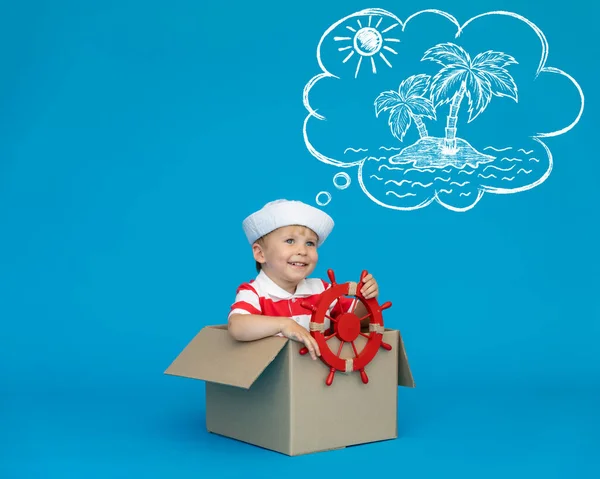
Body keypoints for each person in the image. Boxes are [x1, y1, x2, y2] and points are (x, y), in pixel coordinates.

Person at [227, 199, 379, 361]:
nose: (302, 251)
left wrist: (367, 298)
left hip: (318, 379)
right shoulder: (254, 292)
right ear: (260, 254)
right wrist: (283, 324)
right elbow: (236, 326)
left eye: (310, 243)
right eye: (290, 241)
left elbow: (356, 321)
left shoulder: (321, 289)